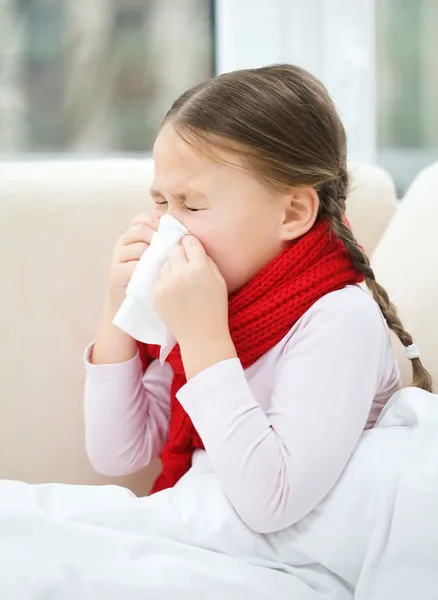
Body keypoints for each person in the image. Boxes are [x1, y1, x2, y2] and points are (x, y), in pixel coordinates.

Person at [84, 64, 432, 534]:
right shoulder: (208, 301)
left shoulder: (339, 318)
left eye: (193, 204)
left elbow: (274, 502)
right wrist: (115, 309)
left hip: (280, 554)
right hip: (197, 524)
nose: (169, 226)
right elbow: (116, 453)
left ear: (292, 212)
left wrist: (205, 339)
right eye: (162, 202)